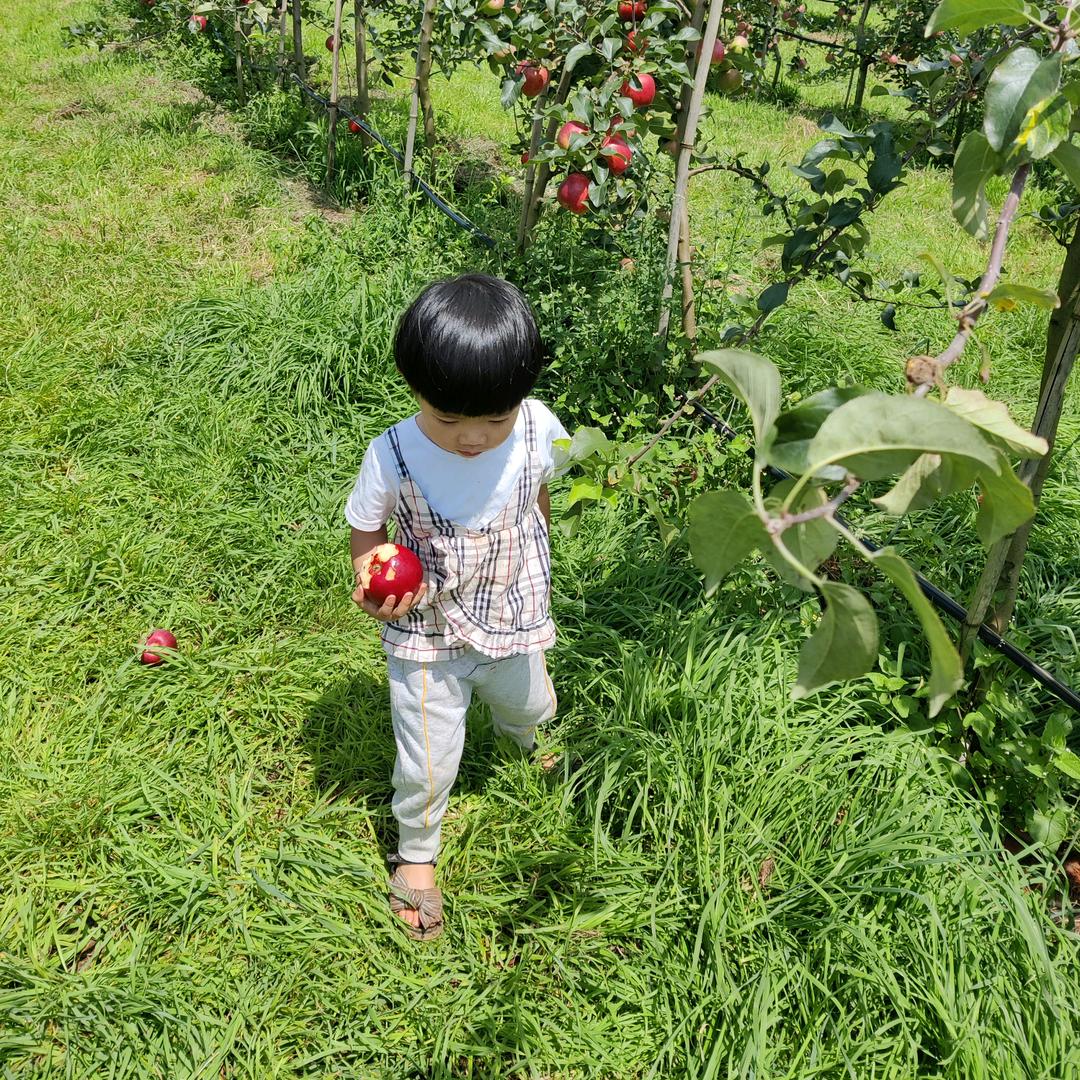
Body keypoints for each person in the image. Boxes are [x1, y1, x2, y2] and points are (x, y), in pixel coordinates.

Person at [345, 273, 569, 942]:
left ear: (520, 400)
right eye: (447, 420)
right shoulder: (392, 456)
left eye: (493, 421)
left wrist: (541, 555)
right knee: (429, 758)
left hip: (512, 613)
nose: (472, 439)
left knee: (531, 705)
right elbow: (367, 532)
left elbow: (540, 496)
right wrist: (373, 577)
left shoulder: (538, 430)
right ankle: (416, 855)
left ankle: (527, 741)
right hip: (428, 634)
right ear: (415, 390)